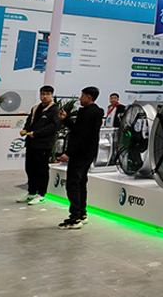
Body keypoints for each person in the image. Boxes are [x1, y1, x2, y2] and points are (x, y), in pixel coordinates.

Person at [57, 86, 104, 229]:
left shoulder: (88, 113)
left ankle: (75, 218)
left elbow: (81, 136)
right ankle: (82, 214)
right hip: (88, 153)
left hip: (80, 153)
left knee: (73, 184)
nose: (80, 98)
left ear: (88, 97)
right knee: (81, 183)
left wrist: (68, 153)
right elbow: (78, 129)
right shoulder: (95, 112)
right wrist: (66, 119)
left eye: (82, 95)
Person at [17, 85, 61, 205]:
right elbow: (29, 122)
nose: (44, 96)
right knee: (30, 169)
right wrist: (25, 130)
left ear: (52, 95)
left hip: (44, 144)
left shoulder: (54, 110)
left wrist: (36, 134)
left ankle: (41, 194)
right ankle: (31, 192)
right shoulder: (35, 108)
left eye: (47, 94)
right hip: (31, 143)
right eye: (42, 94)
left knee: (41, 170)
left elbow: (53, 127)